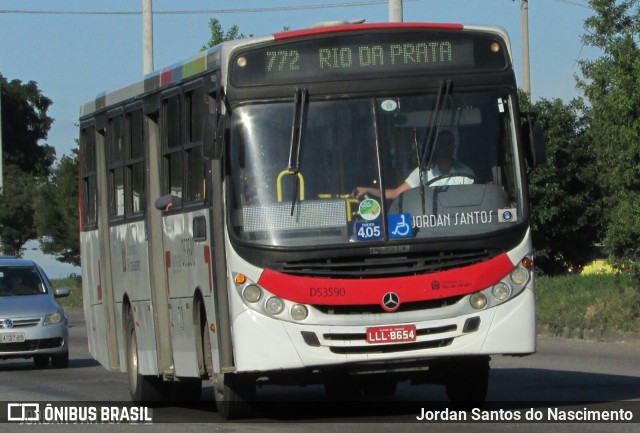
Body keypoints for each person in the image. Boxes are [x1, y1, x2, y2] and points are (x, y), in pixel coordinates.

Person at [353, 130, 474, 199]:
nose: (446, 146)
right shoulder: (423, 173)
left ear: (454, 146)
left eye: (449, 143)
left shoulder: (466, 173)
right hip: (432, 225)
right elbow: (396, 193)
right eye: (442, 143)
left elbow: (472, 199)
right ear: (436, 147)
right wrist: (368, 190)